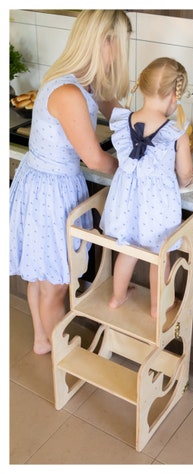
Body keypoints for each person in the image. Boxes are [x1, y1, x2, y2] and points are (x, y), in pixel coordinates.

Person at [9, 10, 132, 355]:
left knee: (42, 275)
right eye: (120, 44)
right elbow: (95, 160)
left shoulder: (84, 80)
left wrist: (149, 131)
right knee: (56, 284)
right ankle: (62, 357)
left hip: (45, 185)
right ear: (104, 42)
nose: (122, 53)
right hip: (49, 193)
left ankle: (42, 340)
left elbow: (119, 116)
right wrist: (132, 171)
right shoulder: (69, 93)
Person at [100, 57, 193, 319]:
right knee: (159, 256)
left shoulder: (122, 122)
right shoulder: (175, 132)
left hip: (125, 204)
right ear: (175, 97)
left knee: (127, 251)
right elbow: (185, 175)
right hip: (158, 207)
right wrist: (187, 179)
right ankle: (157, 307)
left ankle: (117, 298)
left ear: (140, 87)